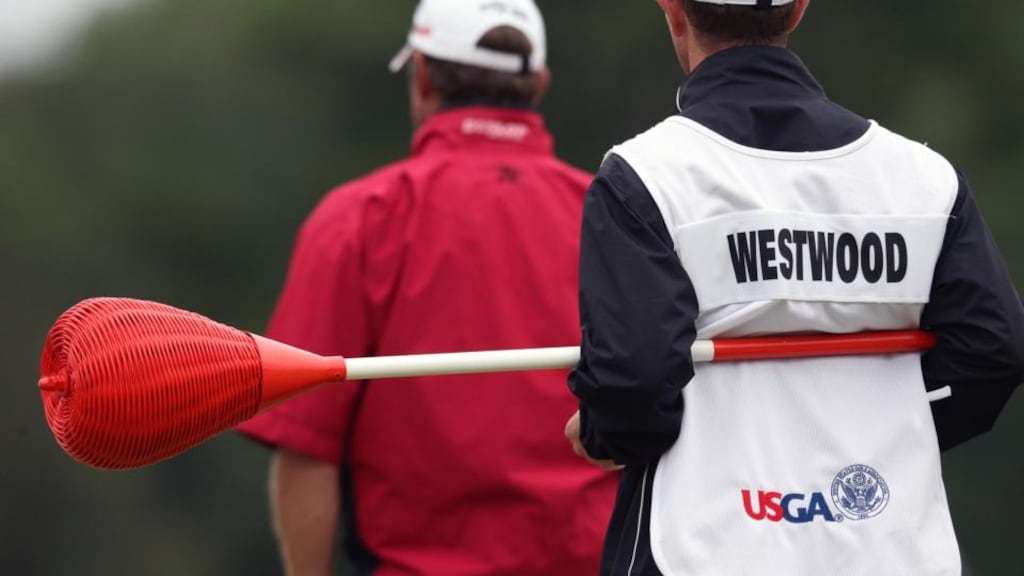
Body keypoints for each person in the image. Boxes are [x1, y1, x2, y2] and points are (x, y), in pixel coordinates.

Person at [564, 1, 1024, 574]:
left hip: (702, 551)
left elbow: (633, 385)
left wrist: (605, 430)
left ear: (673, 9)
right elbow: (993, 354)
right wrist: (882, 432)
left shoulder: (644, 175)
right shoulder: (925, 180)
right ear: (798, 9)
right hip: (891, 549)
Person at [236, 1, 619, 574]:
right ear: (537, 84)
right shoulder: (618, 216)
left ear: (421, 76)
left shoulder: (356, 219)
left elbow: (308, 450)